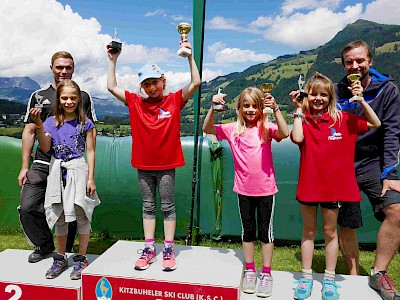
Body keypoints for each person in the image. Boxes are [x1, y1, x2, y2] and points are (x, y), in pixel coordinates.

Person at [106, 36, 200, 272]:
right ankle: (149, 248)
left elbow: (196, 82)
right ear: (142, 87)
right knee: (148, 206)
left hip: (167, 165)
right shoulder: (135, 102)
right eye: (146, 84)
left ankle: (168, 248)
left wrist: (190, 57)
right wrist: (112, 60)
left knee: (168, 207)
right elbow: (110, 87)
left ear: (163, 81)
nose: (151, 87)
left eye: (155, 82)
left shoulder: (174, 100)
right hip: (144, 166)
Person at [290, 72, 380, 300]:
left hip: (334, 189)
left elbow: (375, 122)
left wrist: (361, 101)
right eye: (313, 94)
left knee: (330, 232)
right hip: (309, 186)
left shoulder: (343, 119)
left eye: (323, 94)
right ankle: (306, 277)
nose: (318, 98)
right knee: (308, 232)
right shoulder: (304, 119)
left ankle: (329, 279)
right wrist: (299, 110)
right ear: (306, 96)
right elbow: (298, 139)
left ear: (331, 97)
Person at [203, 87, 289, 297]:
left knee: (265, 234)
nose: (250, 110)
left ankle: (266, 273)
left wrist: (275, 108)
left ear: (261, 108)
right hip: (243, 191)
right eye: (246, 106)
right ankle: (250, 270)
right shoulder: (233, 129)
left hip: (266, 190)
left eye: (255, 106)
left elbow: (285, 133)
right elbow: (208, 128)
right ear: (239, 108)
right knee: (248, 233)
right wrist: (213, 108)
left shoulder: (266, 128)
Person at [18, 51, 97, 263]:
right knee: (28, 207)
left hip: (71, 163)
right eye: (59, 67)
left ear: (73, 69)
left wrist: (88, 173)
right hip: (43, 162)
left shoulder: (83, 96)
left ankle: (66, 250)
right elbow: (29, 131)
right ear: (51, 68)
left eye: (68, 67)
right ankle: (44, 245)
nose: (63, 71)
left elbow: (89, 131)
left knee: (71, 208)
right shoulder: (38, 96)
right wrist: (24, 166)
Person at [335, 40, 400, 299]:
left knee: (396, 210)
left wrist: (390, 174)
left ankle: (378, 273)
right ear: (344, 65)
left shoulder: (388, 90)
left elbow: (392, 132)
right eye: (349, 61)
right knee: (346, 221)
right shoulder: (336, 90)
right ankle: (352, 278)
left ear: (370, 61)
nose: (355, 65)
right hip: (343, 162)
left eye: (360, 60)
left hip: (373, 162)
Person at [29, 79, 100, 280]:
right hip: (57, 170)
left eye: (73, 98)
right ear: (58, 99)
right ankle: (60, 257)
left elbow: (91, 151)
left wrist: (91, 178)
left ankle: (81, 258)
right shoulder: (50, 122)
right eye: (65, 98)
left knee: (82, 214)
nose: (69, 101)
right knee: (60, 216)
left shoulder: (85, 122)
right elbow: (45, 147)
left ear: (79, 99)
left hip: (78, 170)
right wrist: (39, 126)